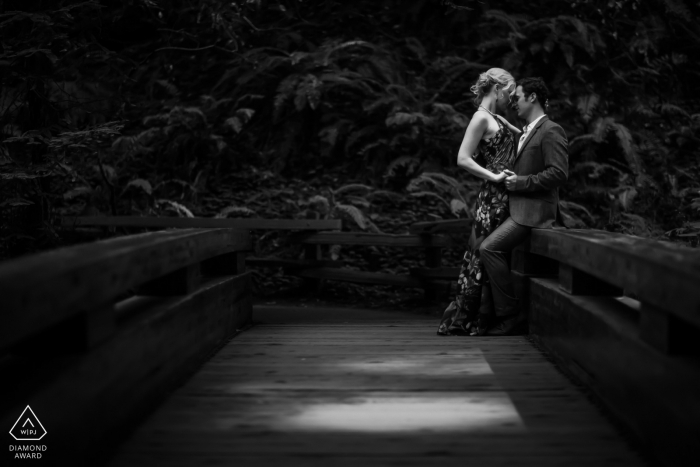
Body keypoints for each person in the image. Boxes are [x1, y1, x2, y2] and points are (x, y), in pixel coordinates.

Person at [480, 77, 569, 336]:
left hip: (534, 213)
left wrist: (521, 183)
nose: (513, 102)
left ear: (532, 97)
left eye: (517, 97)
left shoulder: (552, 130)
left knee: (489, 248)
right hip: (518, 209)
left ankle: (510, 315)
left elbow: (559, 173)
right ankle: (493, 314)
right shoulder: (527, 130)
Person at [437, 68, 521, 336]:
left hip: (506, 194)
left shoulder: (496, 117)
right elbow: (463, 158)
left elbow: (523, 137)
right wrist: (494, 175)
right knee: (481, 256)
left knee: (494, 254)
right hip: (493, 196)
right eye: (508, 92)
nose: (510, 98)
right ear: (496, 89)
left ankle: (495, 317)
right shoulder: (479, 118)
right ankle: (475, 318)